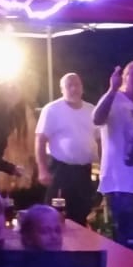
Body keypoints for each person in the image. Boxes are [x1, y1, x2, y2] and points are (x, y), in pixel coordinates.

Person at [92, 59, 133, 246]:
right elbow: (97, 119)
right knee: (130, 240)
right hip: (121, 184)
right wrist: (112, 89)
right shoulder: (114, 99)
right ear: (124, 78)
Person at [35, 73, 98, 225]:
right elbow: (40, 139)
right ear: (62, 89)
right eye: (69, 85)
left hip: (84, 172)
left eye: (77, 85)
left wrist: (103, 167)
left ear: (82, 88)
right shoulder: (52, 109)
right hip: (61, 170)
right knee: (55, 215)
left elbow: (100, 140)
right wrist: (42, 169)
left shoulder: (91, 110)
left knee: (81, 215)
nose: (74, 89)